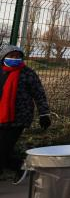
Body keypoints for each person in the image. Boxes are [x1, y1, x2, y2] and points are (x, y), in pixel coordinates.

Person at [0, 45, 50, 182]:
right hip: (1, 115)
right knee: (3, 149)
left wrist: (44, 114)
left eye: (18, 56)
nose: (15, 59)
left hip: (19, 117)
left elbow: (39, 94)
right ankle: (20, 166)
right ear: (3, 57)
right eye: (11, 56)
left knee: (3, 148)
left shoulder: (27, 73)